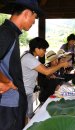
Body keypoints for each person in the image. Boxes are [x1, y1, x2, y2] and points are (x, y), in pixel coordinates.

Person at [0, 0, 42, 129]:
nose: (34, 22)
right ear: (27, 13)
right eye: (34, 17)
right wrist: (5, 82)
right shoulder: (6, 33)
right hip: (9, 102)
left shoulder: (12, 33)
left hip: (12, 101)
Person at [21, 38, 70, 120]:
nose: (45, 52)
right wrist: (61, 65)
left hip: (27, 90)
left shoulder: (29, 56)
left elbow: (42, 71)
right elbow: (46, 71)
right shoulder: (29, 58)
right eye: (44, 49)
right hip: (25, 91)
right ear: (37, 49)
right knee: (26, 115)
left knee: (29, 113)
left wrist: (48, 75)